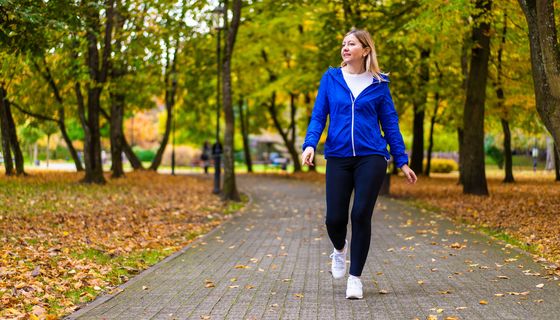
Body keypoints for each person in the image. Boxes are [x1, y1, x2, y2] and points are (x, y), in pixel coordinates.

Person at [301, 29, 417, 300]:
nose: (345, 47)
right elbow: (319, 115)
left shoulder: (379, 83)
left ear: (365, 50)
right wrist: (310, 144)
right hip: (338, 156)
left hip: (372, 157)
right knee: (335, 218)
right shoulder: (331, 79)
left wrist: (402, 161)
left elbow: (390, 124)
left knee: (361, 214)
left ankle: (355, 279)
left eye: (351, 44)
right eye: (343, 43)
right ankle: (339, 249)